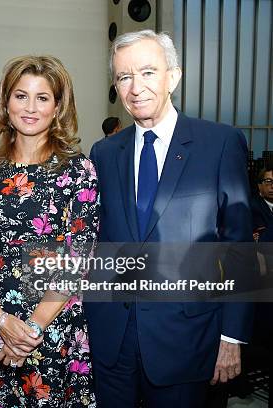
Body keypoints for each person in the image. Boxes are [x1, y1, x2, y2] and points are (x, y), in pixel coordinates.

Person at [86, 30, 253, 407]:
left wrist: (232, 336)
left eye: (147, 72)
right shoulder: (104, 152)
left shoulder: (220, 144)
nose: (136, 87)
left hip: (187, 339)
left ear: (173, 77)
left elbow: (240, 246)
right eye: (124, 76)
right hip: (112, 340)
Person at [0, 55, 98, 407]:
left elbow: (76, 261)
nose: (30, 108)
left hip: (53, 331)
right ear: (6, 102)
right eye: (21, 95)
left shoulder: (77, 170)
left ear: (57, 108)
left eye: (42, 98)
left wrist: (32, 331)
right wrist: (1, 322)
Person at [252, 167, 273, 242]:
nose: (272, 186)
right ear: (259, 185)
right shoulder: (252, 208)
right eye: (268, 181)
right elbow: (262, 242)